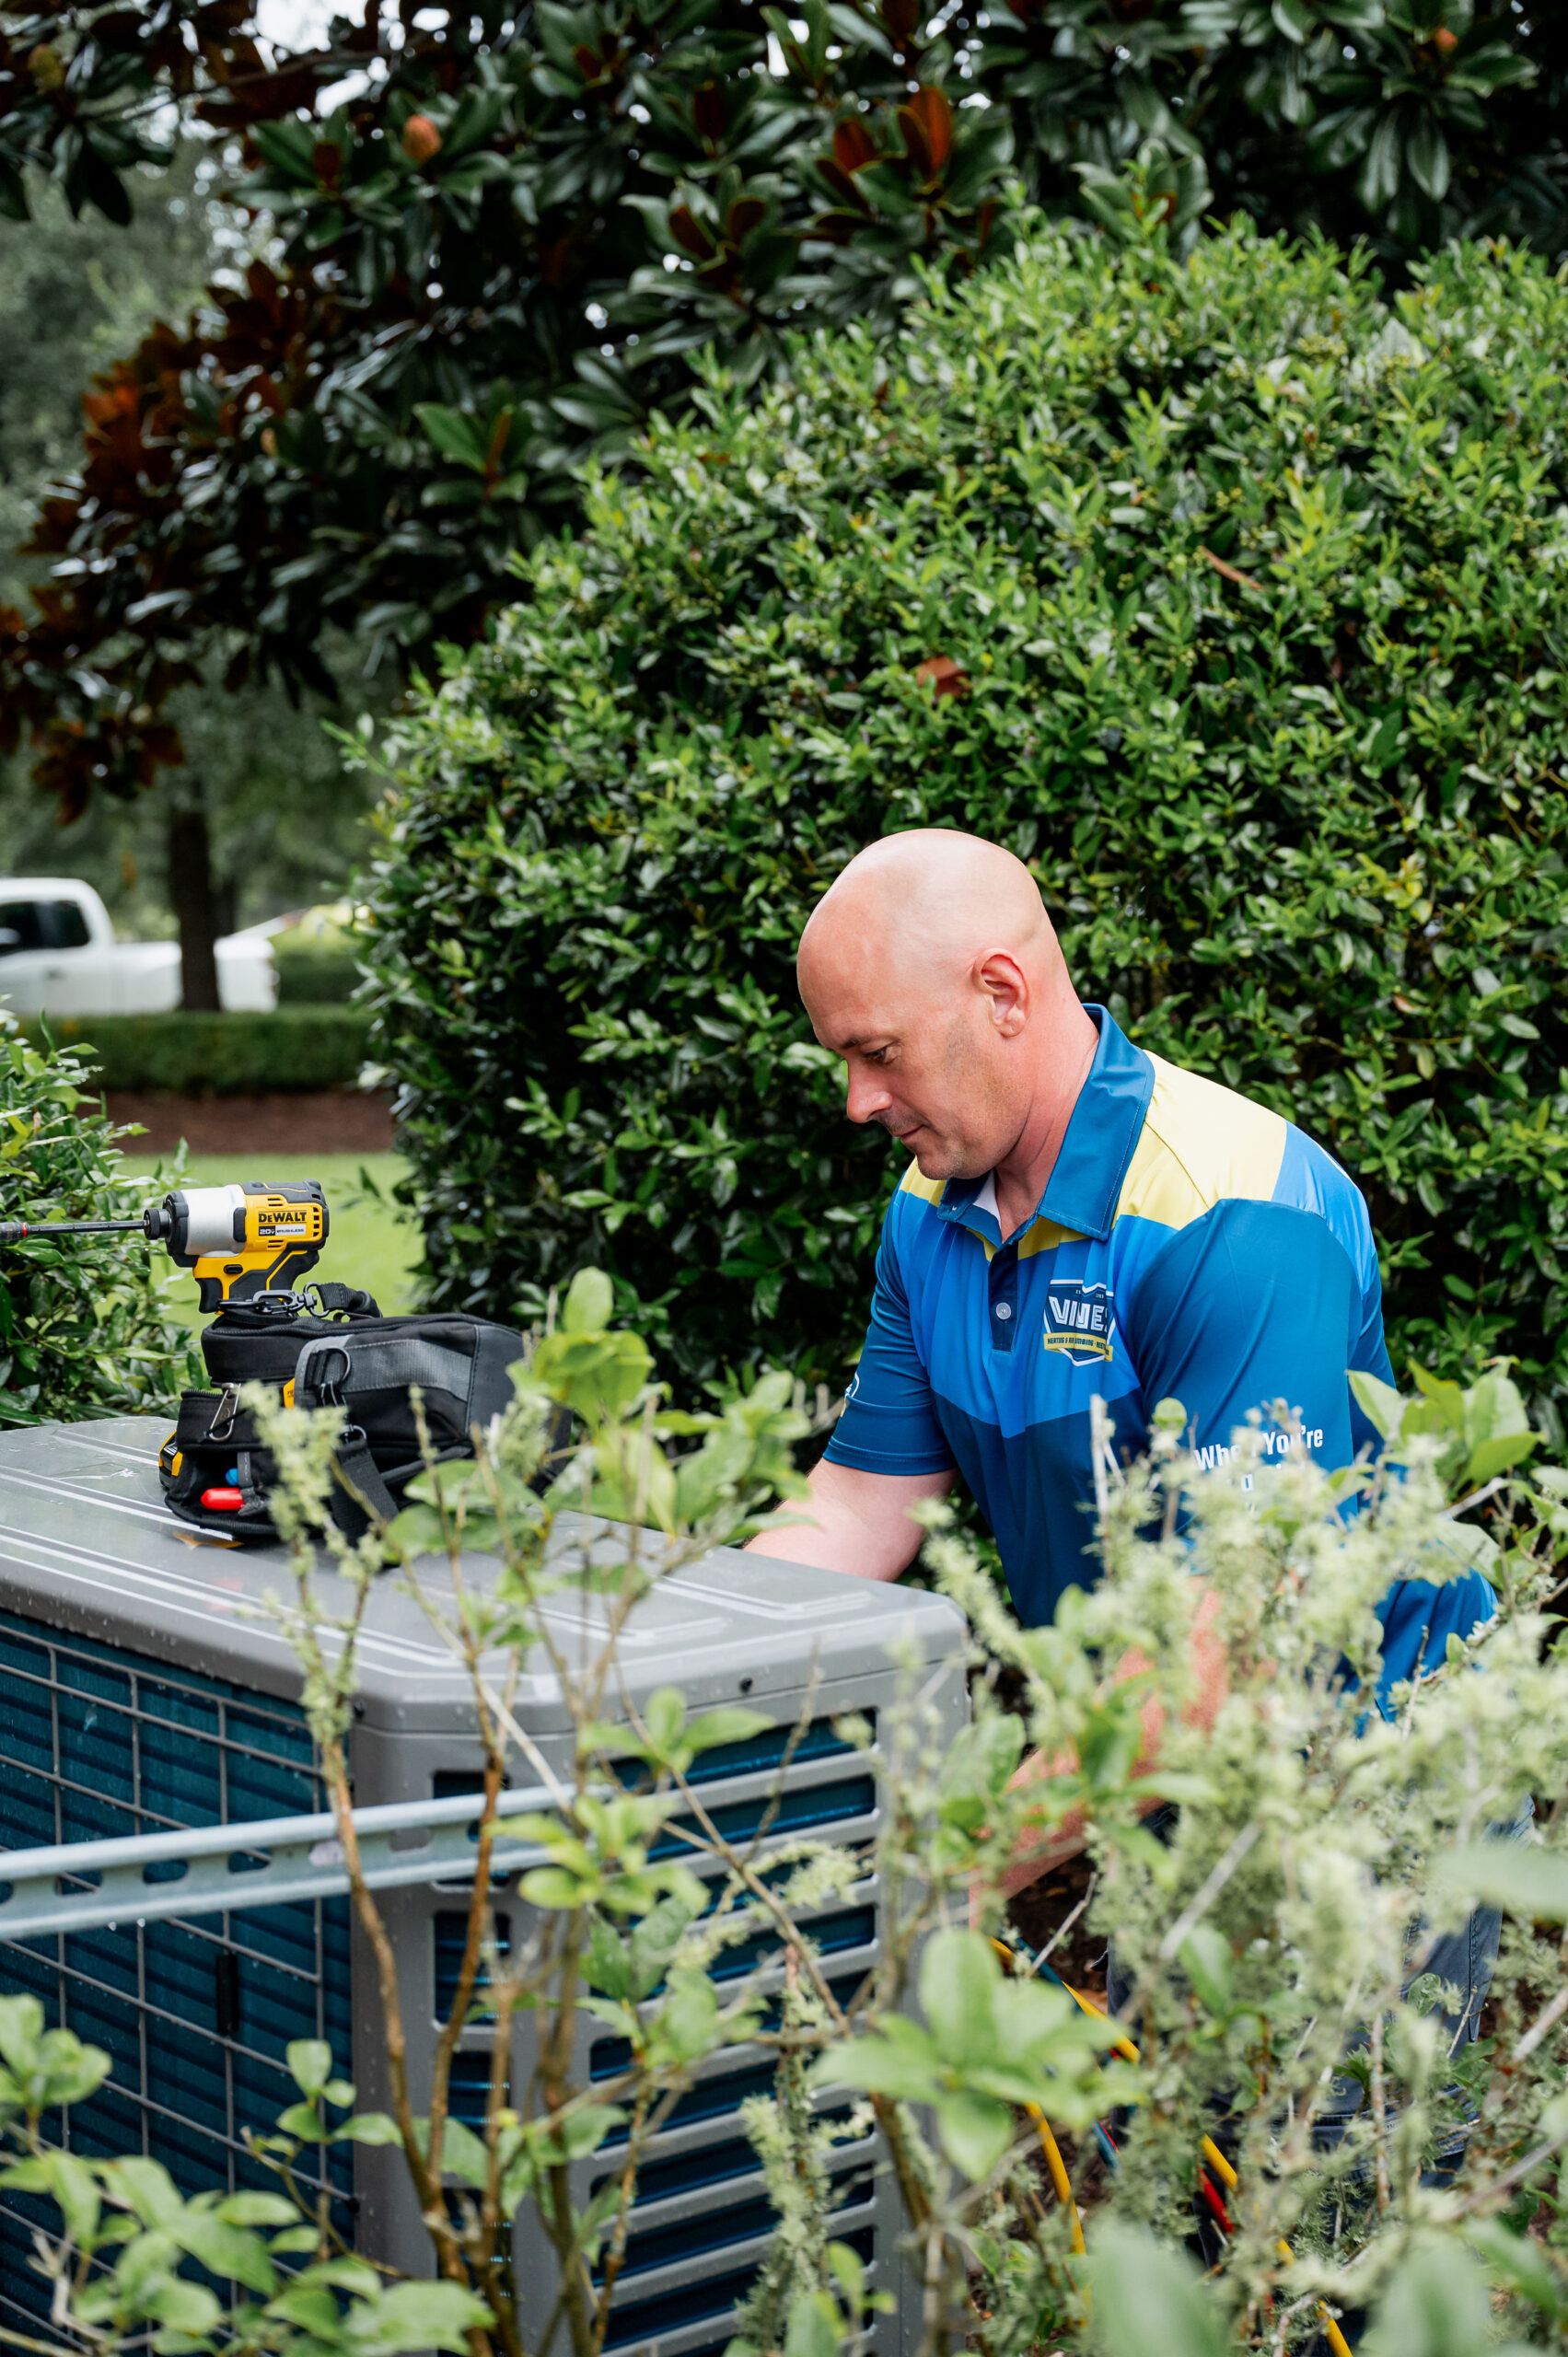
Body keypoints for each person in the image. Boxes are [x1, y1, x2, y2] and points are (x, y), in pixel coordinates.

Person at [746, 826, 1498, 1904]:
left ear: (1000, 993)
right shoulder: (929, 1212)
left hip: (1371, 1804)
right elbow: (862, 1504)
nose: (856, 1099)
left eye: (878, 1052)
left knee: (1334, 2083)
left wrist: (924, 1887)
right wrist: (660, 1659)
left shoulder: (1235, 1217)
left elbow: (1218, 1658)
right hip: (1163, 1811)